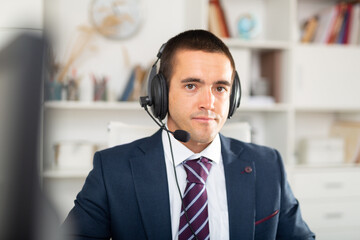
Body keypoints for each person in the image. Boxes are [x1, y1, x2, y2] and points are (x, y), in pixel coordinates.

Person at [62, 30, 315, 240]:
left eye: (220, 88)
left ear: (234, 96)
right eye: (191, 86)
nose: (209, 102)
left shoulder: (269, 166)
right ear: (160, 93)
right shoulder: (111, 169)